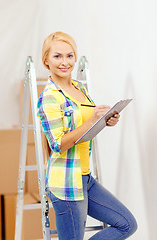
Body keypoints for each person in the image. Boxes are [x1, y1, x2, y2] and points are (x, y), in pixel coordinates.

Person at [37, 31, 137, 240]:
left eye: (70, 55)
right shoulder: (49, 98)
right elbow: (57, 144)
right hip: (65, 183)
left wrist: (105, 121)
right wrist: (92, 121)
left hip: (85, 179)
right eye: (57, 56)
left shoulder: (79, 88)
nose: (65, 62)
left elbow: (84, 127)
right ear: (46, 60)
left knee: (127, 224)